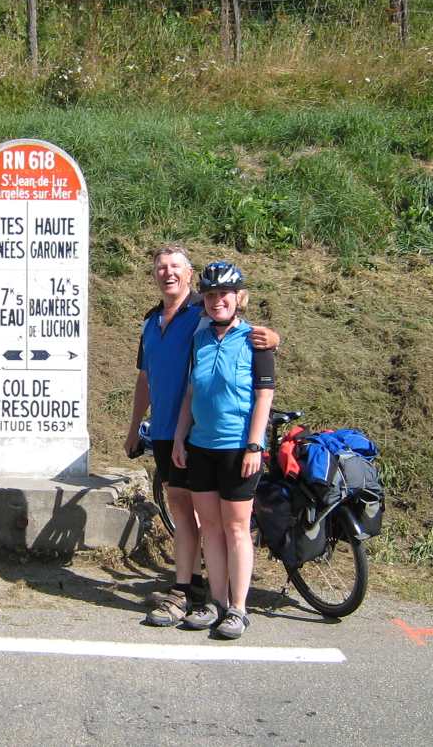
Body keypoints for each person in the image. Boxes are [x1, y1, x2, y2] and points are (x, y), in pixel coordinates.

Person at [125, 246, 279, 628]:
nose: (168, 273)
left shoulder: (201, 314)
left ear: (190, 274)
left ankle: (218, 598)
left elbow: (253, 342)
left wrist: (273, 339)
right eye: (160, 267)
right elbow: (145, 378)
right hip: (170, 430)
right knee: (183, 509)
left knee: (219, 520)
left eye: (175, 266)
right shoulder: (152, 322)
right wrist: (134, 428)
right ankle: (193, 589)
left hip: (209, 434)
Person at [172, 261, 275, 640]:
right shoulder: (199, 339)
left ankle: (238, 608)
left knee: (236, 528)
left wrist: (254, 444)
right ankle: (214, 601)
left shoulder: (255, 340)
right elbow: (190, 393)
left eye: (224, 295)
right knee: (210, 527)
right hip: (201, 447)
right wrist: (182, 437)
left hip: (237, 448)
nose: (218, 301)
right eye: (211, 295)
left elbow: (264, 395)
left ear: (239, 298)